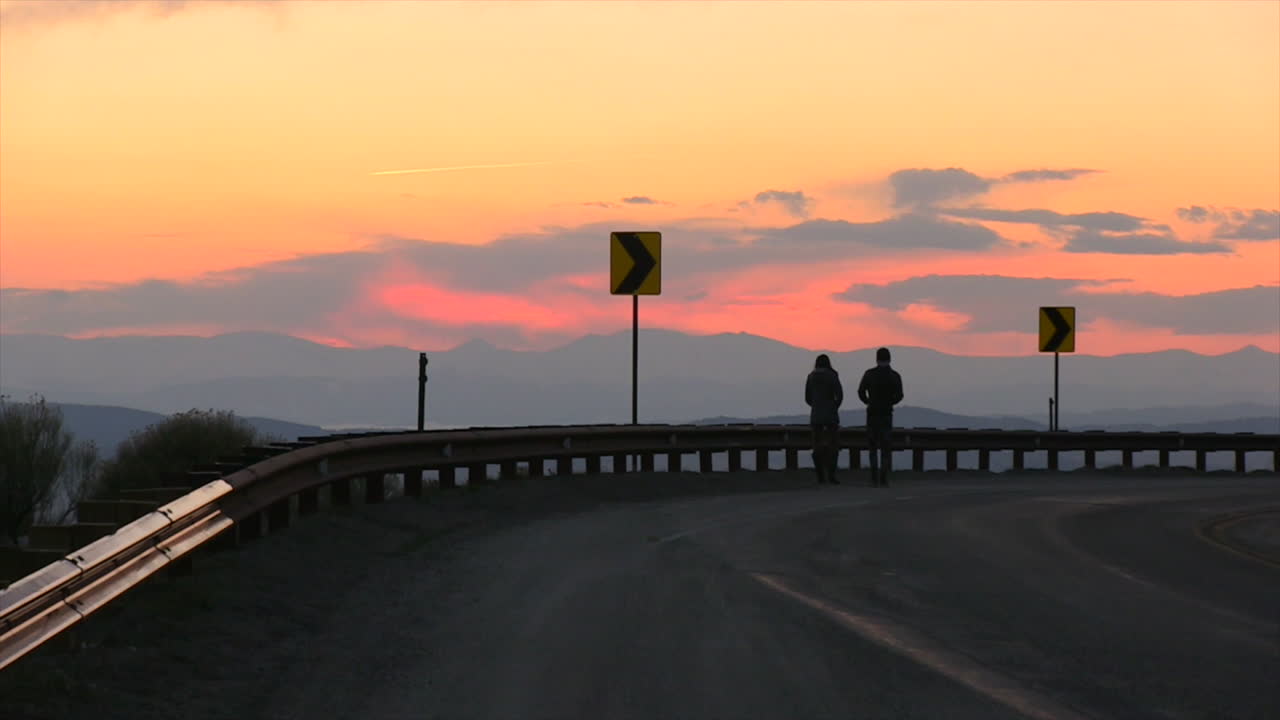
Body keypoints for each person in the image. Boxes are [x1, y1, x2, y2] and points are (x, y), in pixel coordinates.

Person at [857, 347, 904, 487]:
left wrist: (868, 402)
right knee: (885, 447)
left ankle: (873, 478)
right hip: (886, 414)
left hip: (872, 414)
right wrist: (891, 402)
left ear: (876, 359)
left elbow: (861, 391)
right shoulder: (894, 376)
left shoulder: (869, 374)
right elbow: (900, 395)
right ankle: (883, 477)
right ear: (889, 359)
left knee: (872, 447)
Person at [804, 354, 843, 484]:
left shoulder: (811, 376)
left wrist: (816, 406)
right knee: (833, 445)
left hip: (816, 416)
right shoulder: (832, 376)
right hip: (831, 415)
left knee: (817, 445)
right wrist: (834, 407)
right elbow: (839, 395)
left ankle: (820, 475)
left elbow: (807, 398)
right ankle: (831, 475)